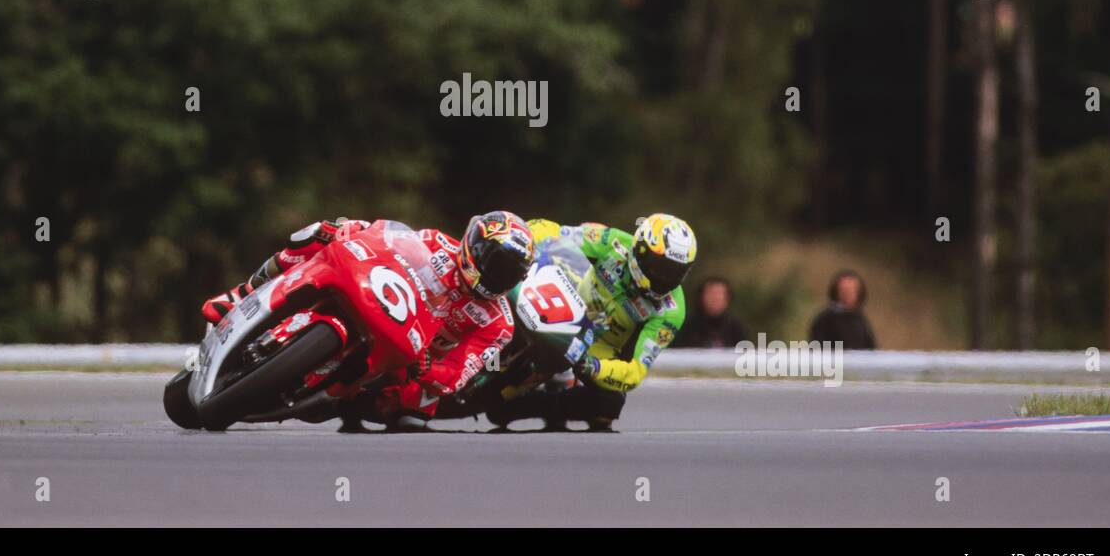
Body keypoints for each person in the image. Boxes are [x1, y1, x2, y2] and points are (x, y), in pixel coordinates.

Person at [201, 212, 536, 431]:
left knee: (410, 417)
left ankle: (343, 398)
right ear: (474, 246)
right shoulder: (437, 243)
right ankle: (242, 294)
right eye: (494, 263)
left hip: (413, 358)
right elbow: (385, 239)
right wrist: (351, 229)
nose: (496, 276)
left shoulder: (498, 324)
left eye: (508, 273)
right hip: (378, 300)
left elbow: (460, 373)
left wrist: (429, 370)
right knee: (317, 236)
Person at [486, 214, 697, 432]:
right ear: (641, 251)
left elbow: (635, 371)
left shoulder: (672, 311)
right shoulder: (612, 242)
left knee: (609, 404)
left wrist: (593, 367)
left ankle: (539, 405)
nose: (665, 278)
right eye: (661, 267)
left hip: (598, 349)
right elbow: (554, 232)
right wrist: (524, 239)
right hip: (563, 305)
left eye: (675, 272)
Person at [808, 269, 877, 350]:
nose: (848, 294)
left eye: (852, 290)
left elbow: (870, 349)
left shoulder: (860, 319)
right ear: (836, 291)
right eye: (844, 290)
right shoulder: (824, 320)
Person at [674, 276, 748, 348]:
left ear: (728, 299)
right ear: (701, 296)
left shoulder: (735, 328)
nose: (715, 298)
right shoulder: (686, 327)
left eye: (720, 294)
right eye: (711, 294)